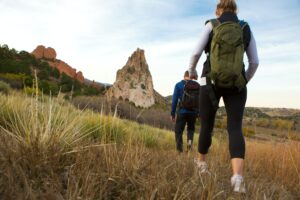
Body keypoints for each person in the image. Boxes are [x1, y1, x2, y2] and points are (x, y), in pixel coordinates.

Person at [188, 0, 259, 193]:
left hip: (209, 82)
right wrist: (244, 79)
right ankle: (237, 179)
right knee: (235, 128)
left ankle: (202, 165)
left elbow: (195, 52)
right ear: (235, 10)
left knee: (206, 125)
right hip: (237, 84)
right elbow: (255, 62)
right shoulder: (244, 28)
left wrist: (191, 70)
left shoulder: (212, 24)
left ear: (218, 10)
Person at [171, 71, 199, 153]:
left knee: (178, 131)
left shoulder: (179, 85)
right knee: (190, 130)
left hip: (182, 112)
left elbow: (174, 100)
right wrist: (197, 113)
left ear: (184, 76)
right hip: (193, 113)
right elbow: (200, 100)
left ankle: (179, 151)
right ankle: (189, 149)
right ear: (191, 76)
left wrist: (172, 113)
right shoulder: (196, 86)